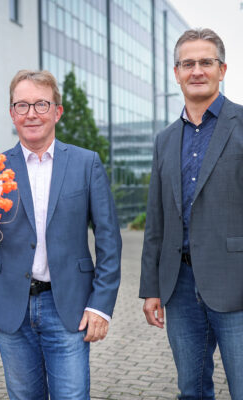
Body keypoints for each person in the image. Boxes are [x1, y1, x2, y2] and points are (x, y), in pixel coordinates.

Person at [0, 70, 121, 399]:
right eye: (22, 105)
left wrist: (101, 306)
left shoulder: (86, 163)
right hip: (11, 306)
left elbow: (108, 239)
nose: (31, 113)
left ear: (57, 111)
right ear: (11, 113)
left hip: (69, 307)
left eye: (41, 104)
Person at [140, 28, 243, 399]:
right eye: (188, 63)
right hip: (179, 287)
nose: (196, 70)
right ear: (176, 73)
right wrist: (151, 288)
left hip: (236, 284)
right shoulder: (165, 139)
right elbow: (156, 220)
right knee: (191, 389)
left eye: (206, 62)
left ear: (222, 69)